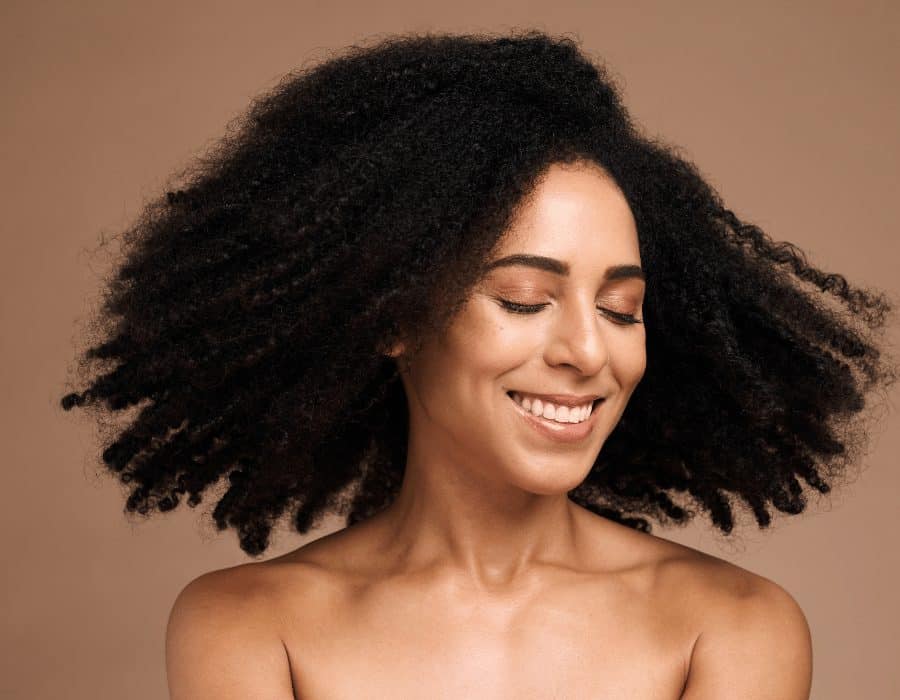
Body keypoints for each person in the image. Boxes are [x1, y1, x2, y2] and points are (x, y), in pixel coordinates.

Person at [60, 29, 897, 699]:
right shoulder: (245, 627)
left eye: (622, 308)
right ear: (397, 316)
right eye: (527, 299)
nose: (587, 350)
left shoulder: (733, 628)